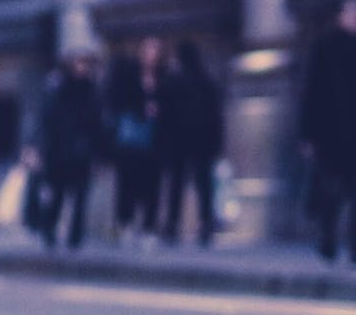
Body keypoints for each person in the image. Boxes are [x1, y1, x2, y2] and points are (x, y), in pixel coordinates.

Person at [297, 0, 356, 262]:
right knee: (331, 192)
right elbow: (312, 92)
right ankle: (328, 239)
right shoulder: (325, 47)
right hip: (331, 134)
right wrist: (307, 134)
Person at [157, 39, 225, 248]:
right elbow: (216, 116)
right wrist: (217, 143)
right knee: (204, 184)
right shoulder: (207, 81)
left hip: (179, 142)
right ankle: (205, 223)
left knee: (177, 184)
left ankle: (172, 224)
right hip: (203, 141)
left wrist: (164, 143)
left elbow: (165, 117)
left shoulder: (173, 82)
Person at [35, 52, 106, 249]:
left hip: (83, 152)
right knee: (57, 195)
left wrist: (99, 154)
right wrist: (41, 149)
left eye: (85, 64)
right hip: (59, 153)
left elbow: (97, 125)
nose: (82, 68)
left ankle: (75, 236)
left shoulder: (92, 92)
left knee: (81, 197)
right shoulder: (58, 90)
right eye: (79, 63)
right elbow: (47, 121)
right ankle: (49, 231)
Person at [105, 37, 167, 246]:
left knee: (151, 185)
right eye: (148, 50)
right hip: (131, 138)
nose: (152, 55)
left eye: (155, 51)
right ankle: (125, 224)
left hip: (155, 139)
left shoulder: (163, 77)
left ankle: (149, 227)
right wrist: (142, 109)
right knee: (127, 183)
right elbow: (117, 100)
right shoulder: (128, 74)